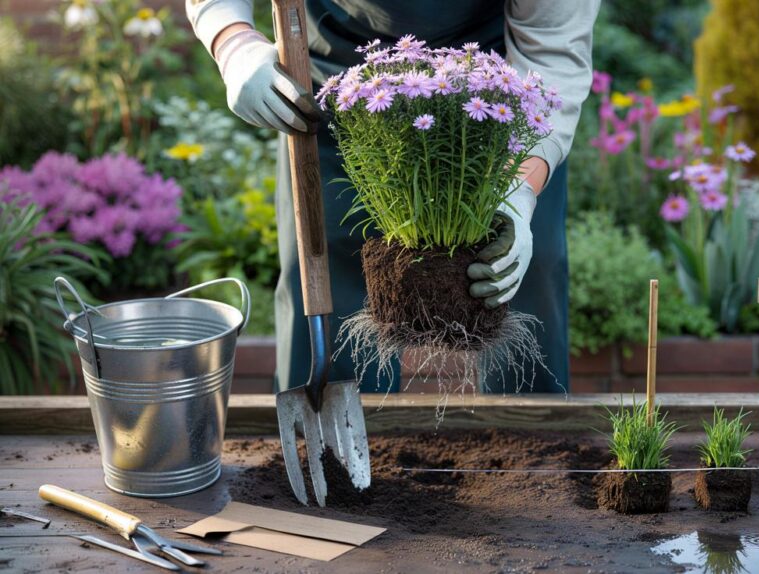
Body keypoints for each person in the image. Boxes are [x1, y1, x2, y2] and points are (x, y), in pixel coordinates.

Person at [186, 0, 599, 393]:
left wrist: (519, 191)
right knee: (325, 274)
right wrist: (234, 44)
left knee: (517, 270)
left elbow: (553, 50)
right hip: (334, 91)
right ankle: (334, 457)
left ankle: (534, 449)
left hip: (491, 96)